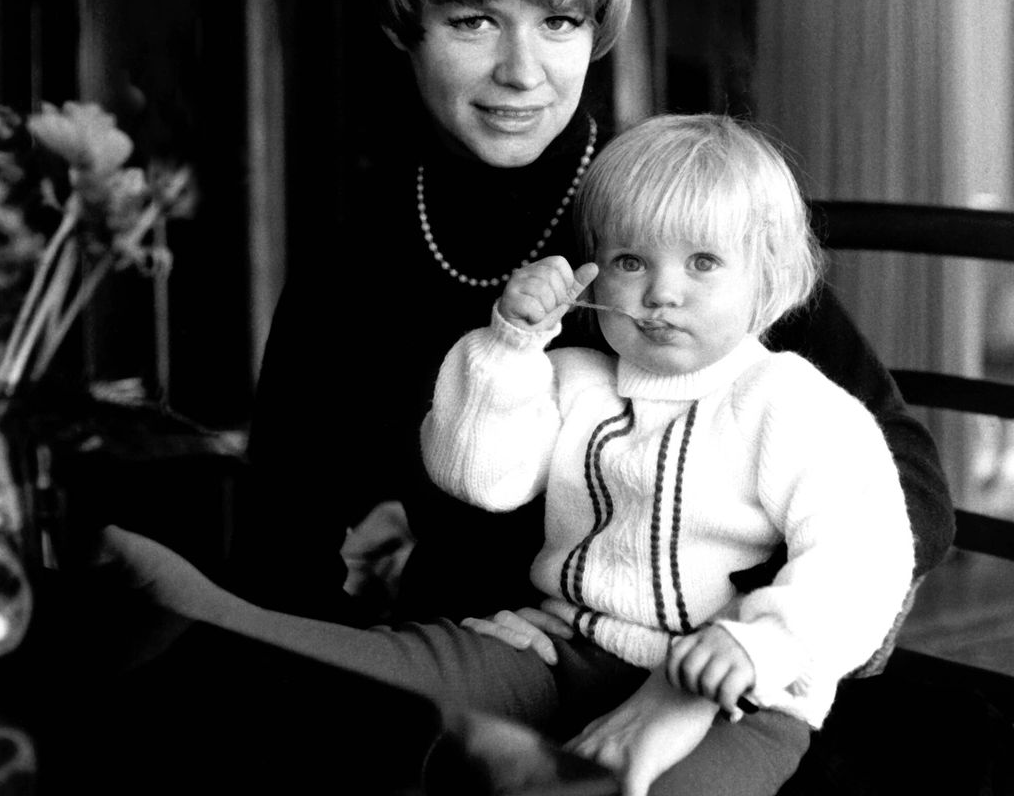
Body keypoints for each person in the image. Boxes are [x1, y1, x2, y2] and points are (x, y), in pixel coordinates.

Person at [228, 0, 951, 634]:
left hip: (703, 672)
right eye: (473, 21)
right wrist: (405, 662)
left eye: (559, 21)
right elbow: (278, 558)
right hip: (474, 668)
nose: (520, 71)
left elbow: (909, 485)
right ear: (406, 25)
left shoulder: (677, 217)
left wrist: (726, 634)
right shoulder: (352, 268)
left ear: (596, 28)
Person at [100, 113, 916, 796]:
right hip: (560, 645)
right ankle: (228, 622)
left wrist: (759, 645)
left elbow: (866, 555)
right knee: (395, 670)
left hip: (739, 692)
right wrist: (511, 343)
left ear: (766, 277)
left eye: (702, 264)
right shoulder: (573, 377)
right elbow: (478, 477)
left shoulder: (795, 404)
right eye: (632, 261)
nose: (661, 293)